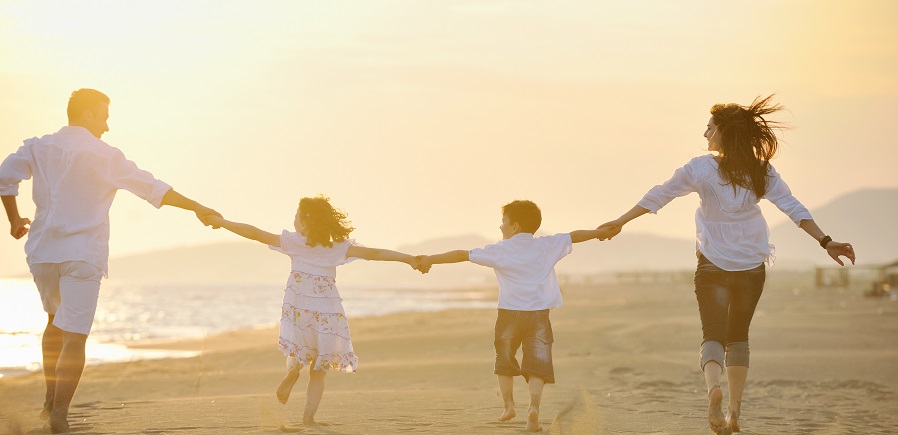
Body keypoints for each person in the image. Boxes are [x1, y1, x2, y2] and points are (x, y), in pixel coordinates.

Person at [597, 95, 856, 434]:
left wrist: (620, 221)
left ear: (722, 134)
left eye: (710, 128)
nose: (705, 134)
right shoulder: (761, 171)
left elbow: (659, 194)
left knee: (713, 334)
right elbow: (793, 208)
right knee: (739, 337)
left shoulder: (700, 168)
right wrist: (825, 241)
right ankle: (734, 412)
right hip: (751, 265)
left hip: (713, 264)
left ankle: (712, 390)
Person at [0, 88, 220, 433]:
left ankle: (48, 401)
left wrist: (13, 219)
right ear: (87, 114)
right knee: (74, 335)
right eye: (103, 116)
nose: (106, 125)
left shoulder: (38, 146)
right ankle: (59, 414)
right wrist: (199, 208)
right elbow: (154, 188)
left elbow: (4, 177)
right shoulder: (105, 155)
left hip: (42, 253)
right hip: (83, 255)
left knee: (53, 321)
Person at [204, 195, 422, 425]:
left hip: (299, 307)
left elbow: (255, 233)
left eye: (296, 217)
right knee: (319, 368)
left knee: (297, 350)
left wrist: (223, 222)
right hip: (328, 310)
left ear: (306, 223)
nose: (294, 221)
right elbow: (375, 254)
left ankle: (293, 370)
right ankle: (308, 418)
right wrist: (409, 259)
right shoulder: (338, 247)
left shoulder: (294, 242)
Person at [415, 200, 614, 432]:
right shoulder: (547, 245)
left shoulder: (500, 250)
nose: (500, 227)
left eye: (503, 222)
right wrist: (600, 232)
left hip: (509, 315)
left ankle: (509, 406)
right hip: (539, 316)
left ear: (515, 226)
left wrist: (429, 259)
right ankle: (534, 409)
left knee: (505, 360)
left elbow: (461, 254)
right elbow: (575, 236)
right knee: (538, 364)